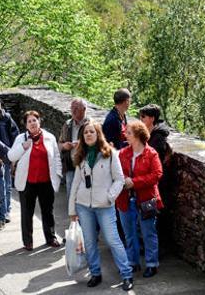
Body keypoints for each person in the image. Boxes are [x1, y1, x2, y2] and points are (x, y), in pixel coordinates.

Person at [68, 123, 134, 291]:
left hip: (105, 205)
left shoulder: (110, 153)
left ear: (98, 134)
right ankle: (95, 273)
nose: (88, 134)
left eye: (92, 132)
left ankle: (126, 274)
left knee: (113, 240)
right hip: (83, 205)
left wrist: (109, 197)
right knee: (89, 242)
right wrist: (72, 209)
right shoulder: (80, 154)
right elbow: (76, 182)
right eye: (85, 133)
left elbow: (119, 179)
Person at [7, 110, 62, 250]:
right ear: (26, 125)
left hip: (46, 182)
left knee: (48, 211)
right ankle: (28, 241)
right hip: (27, 182)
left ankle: (51, 237)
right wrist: (22, 147)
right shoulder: (21, 139)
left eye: (34, 120)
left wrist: (58, 174)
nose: (32, 123)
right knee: (27, 213)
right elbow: (11, 156)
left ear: (39, 122)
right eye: (29, 121)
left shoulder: (49, 137)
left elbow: (56, 157)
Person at [117, 120, 163, 278]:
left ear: (137, 135)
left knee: (148, 232)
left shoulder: (151, 153)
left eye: (128, 133)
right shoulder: (123, 153)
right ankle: (132, 262)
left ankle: (152, 264)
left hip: (146, 199)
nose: (125, 135)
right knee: (129, 233)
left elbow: (156, 175)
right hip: (124, 199)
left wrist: (134, 182)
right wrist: (124, 180)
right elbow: (116, 172)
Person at [138, 104, 176, 255]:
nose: (140, 119)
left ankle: (156, 250)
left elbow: (154, 160)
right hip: (152, 182)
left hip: (156, 184)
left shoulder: (158, 137)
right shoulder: (151, 133)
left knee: (154, 215)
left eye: (143, 117)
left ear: (152, 119)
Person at [58, 97, 89, 209]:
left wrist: (83, 143)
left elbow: (99, 144)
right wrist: (64, 146)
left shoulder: (91, 125)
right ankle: (73, 221)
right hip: (70, 166)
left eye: (76, 108)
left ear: (84, 109)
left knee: (86, 194)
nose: (73, 111)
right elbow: (59, 144)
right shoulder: (68, 124)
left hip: (87, 166)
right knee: (71, 195)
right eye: (72, 108)